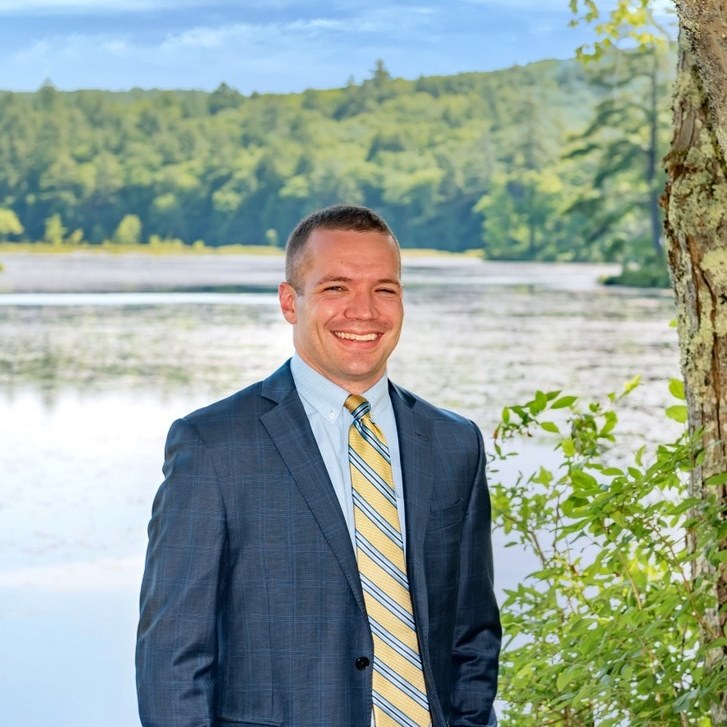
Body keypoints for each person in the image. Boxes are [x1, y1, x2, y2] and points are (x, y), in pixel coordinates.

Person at [136, 204, 501, 727]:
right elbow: (172, 659)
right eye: (336, 288)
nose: (364, 311)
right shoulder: (214, 446)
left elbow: (473, 636)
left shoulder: (453, 443)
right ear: (290, 301)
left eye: (384, 289)